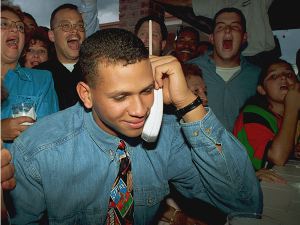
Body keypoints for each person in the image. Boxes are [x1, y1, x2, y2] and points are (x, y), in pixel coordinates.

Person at [8, 28, 262, 224]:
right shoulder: (37, 150)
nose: (141, 109)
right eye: (121, 97)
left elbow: (244, 202)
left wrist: (188, 104)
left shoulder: (167, 135)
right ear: (86, 94)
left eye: (147, 91)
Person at [189, 7, 261, 131]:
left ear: (244, 37)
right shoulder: (188, 69)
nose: (228, 30)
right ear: (211, 38)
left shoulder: (259, 77)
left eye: (235, 27)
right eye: (221, 27)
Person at [1, 5, 59, 149]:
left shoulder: (41, 80)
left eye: (20, 27)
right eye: (3, 23)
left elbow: (49, 141)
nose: (15, 29)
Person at [155, 0, 277, 67]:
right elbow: (185, 2)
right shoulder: (218, 3)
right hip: (239, 58)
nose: (228, 30)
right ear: (211, 38)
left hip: (266, 56)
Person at [233, 59, 300, 172]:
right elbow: (277, 157)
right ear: (262, 89)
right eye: (273, 76)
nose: (283, 77)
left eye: (289, 74)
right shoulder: (252, 115)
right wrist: (292, 108)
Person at [35, 4, 86, 110]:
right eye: (66, 26)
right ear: (52, 35)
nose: (75, 31)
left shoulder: (97, 71)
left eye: (80, 26)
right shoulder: (38, 76)